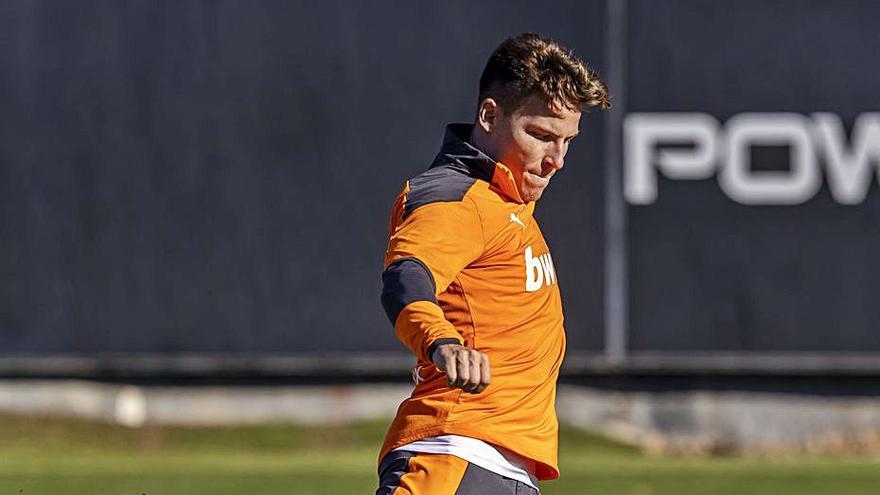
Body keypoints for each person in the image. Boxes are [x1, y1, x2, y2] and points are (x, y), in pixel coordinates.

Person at [376, 33, 610, 495]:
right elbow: (407, 276)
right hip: (452, 456)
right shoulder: (454, 198)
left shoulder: (507, 201)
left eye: (567, 141)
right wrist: (441, 342)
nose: (556, 160)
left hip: (504, 469)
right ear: (489, 115)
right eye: (541, 136)